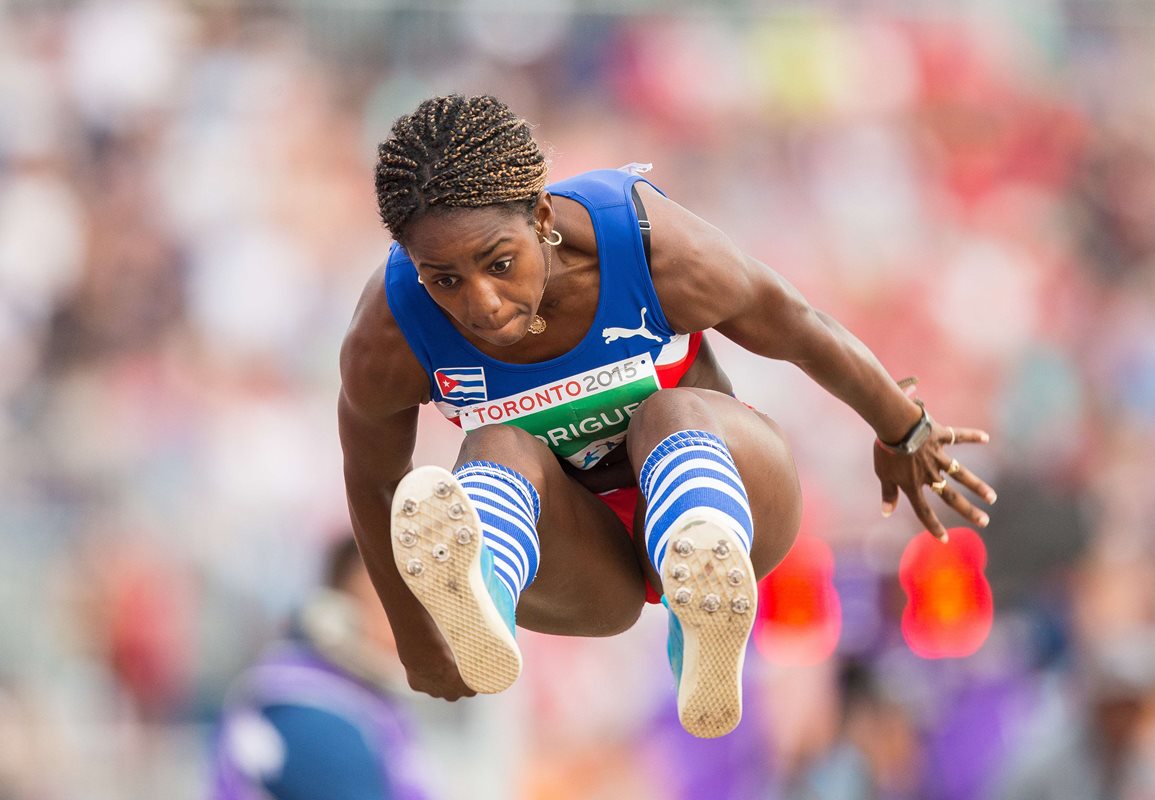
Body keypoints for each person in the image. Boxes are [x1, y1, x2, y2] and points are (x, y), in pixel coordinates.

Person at [338, 94, 996, 738]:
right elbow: (373, 479)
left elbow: (798, 326)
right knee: (496, 443)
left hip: (731, 494)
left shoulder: (648, 248)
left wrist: (902, 428)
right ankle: (482, 596)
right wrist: (415, 635)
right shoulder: (392, 331)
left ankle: (701, 595)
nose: (480, 302)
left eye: (499, 263)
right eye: (443, 280)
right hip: (586, 561)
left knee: (669, 411)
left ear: (541, 215)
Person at [210, 537, 430, 800]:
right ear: (339, 615)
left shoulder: (349, 701)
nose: (411, 626)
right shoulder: (311, 715)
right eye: (390, 609)